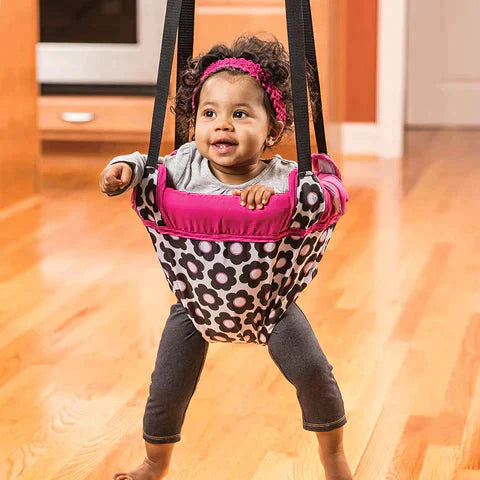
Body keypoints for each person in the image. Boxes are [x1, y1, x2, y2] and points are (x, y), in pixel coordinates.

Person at [100, 35, 353, 480]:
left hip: (271, 305)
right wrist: (122, 168)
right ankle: (154, 463)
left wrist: (273, 195)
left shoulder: (285, 177)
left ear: (272, 130)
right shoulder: (184, 164)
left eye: (240, 114)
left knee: (314, 373)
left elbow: (323, 191)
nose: (222, 125)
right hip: (194, 303)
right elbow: (146, 165)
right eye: (209, 113)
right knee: (166, 386)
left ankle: (334, 456)